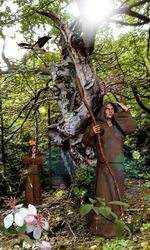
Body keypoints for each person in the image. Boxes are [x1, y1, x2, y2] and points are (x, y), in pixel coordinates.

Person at [82, 101, 136, 237]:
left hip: (118, 164)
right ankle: (103, 224)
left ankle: (119, 220)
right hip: (104, 165)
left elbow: (132, 127)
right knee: (103, 194)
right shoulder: (98, 125)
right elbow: (86, 141)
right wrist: (91, 133)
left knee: (117, 193)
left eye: (112, 109)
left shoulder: (119, 125)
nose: (110, 111)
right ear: (103, 111)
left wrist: (126, 111)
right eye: (107, 109)